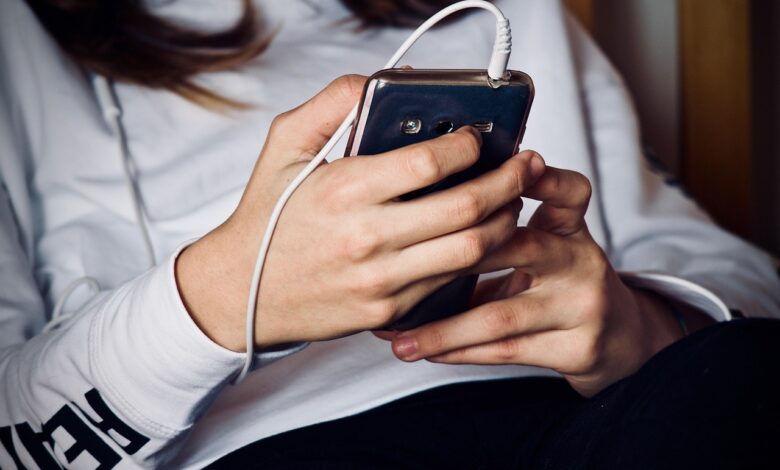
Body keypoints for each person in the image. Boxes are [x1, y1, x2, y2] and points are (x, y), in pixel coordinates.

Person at [1, 0, 778, 468]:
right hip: (275, 448)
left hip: (583, 416)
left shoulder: (503, 12)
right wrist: (219, 296)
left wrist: (639, 323)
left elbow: (734, 275)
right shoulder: (17, 46)